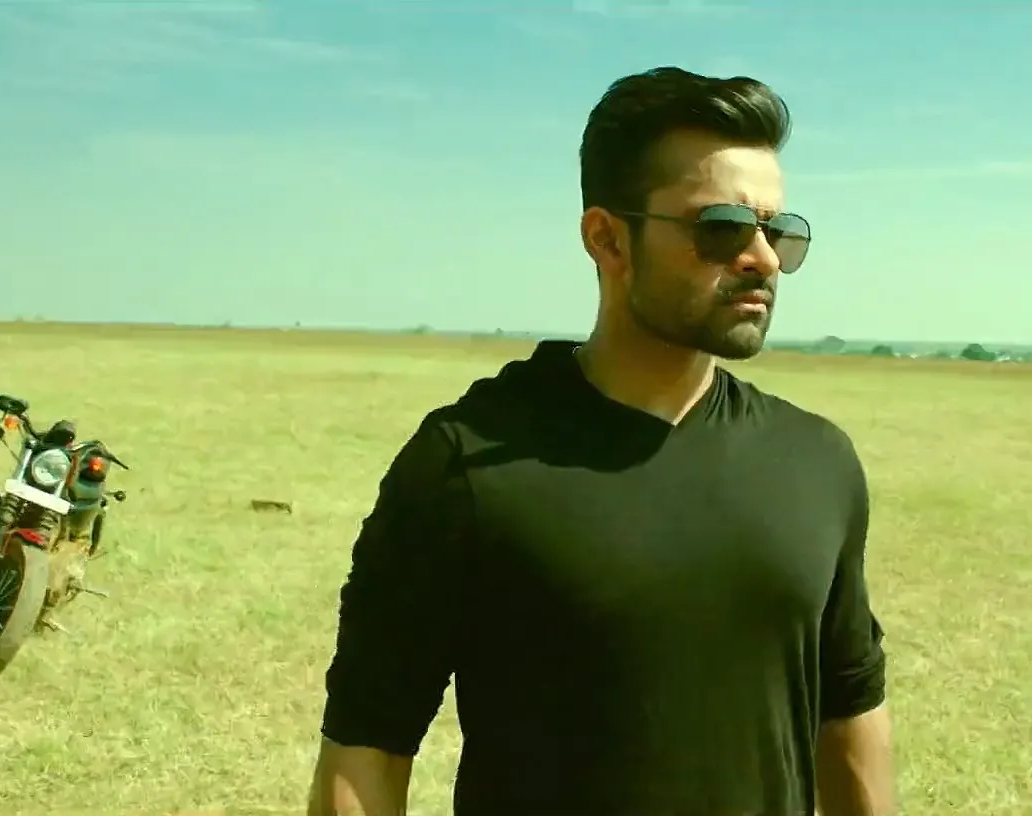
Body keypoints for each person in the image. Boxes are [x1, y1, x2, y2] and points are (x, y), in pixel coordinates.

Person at [307, 65, 895, 816]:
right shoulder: (469, 464)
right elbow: (366, 748)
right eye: (721, 228)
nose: (764, 258)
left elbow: (849, 706)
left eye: (780, 232)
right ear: (608, 239)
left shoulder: (815, 462)